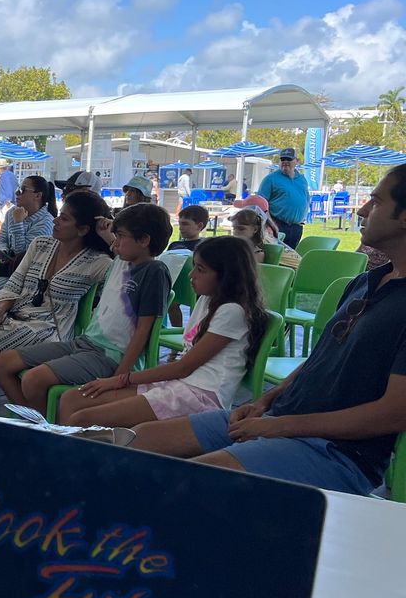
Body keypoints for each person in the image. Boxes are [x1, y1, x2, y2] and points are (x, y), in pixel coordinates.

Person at [129, 166, 406, 495]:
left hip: (336, 453)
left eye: (375, 201)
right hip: (281, 420)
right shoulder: (365, 283)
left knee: (192, 481)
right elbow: (319, 360)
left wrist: (282, 426)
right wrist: (266, 401)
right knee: (138, 439)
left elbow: (392, 414)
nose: (362, 209)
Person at [60, 235, 267, 427]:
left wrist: (121, 379)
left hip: (201, 396)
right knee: (73, 398)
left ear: (226, 276)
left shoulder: (232, 311)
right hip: (180, 384)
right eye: (194, 266)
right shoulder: (207, 299)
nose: (191, 274)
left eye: (201, 270)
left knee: (83, 418)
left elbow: (183, 368)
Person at [0, 203, 173, 414]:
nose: (116, 244)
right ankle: (40, 421)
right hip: (85, 343)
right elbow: (115, 242)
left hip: (110, 355)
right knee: (2, 363)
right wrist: (109, 230)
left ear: (144, 240)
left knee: (34, 380)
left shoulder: (154, 271)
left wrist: (120, 377)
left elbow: (144, 330)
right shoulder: (124, 259)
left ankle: (51, 430)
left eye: (121, 236)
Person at [0, 192, 113, 413]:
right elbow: (14, 283)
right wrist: (0, 307)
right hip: (15, 317)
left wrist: (111, 238)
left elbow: (126, 275)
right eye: (59, 215)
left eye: (64, 218)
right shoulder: (41, 245)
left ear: (83, 229)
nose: (55, 220)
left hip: (48, 329)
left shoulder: (97, 262)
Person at [0, 175, 57, 272]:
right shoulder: (12, 212)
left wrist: (18, 223)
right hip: (5, 268)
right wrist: (4, 252)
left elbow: (23, 255)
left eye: (23, 189)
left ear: (38, 195)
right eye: (18, 188)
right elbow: (1, 239)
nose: (17, 192)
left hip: (26, 274)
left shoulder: (46, 222)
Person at [257, 148, 310, 249]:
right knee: (276, 256)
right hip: (277, 224)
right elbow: (261, 203)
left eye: (289, 159)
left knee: (291, 257)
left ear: (296, 161)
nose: (285, 162)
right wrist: (269, 223)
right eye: (282, 159)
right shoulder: (271, 179)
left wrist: (303, 216)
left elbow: (306, 198)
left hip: (296, 226)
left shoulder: (302, 179)